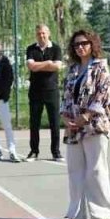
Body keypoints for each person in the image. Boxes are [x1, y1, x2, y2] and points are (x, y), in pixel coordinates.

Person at [60, 29, 110, 219]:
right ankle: (77, 213)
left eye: (84, 43)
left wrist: (86, 116)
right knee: (75, 170)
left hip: (95, 126)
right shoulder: (73, 70)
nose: (80, 47)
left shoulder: (101, 68)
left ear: (92, 44)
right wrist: (65, 117)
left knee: (96, 170)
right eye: (76, 45)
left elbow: (105, 95)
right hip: (74, 128)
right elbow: (65, 95)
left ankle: (101, 214)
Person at [25, 23, 63, 162]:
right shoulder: (31, 49)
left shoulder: (56, 48)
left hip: (52, 91)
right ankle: (34, 151)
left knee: (54, 122)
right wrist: (47, 63)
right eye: (39, 33)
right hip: (35, 91)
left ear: (48, 33)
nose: (41, 35)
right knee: (34, 123)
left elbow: (57, 66)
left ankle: (56, 152)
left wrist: (41, 65)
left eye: (43, 33)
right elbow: (31, 67)